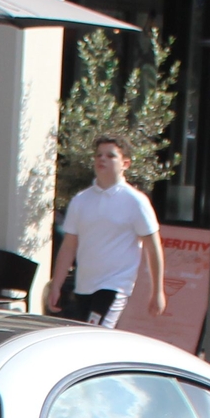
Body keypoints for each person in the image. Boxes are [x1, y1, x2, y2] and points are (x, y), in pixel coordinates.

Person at [52, 135, 166, 328]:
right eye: (98, 155)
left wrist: (158, 291)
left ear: (125, 164)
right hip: (84, 286)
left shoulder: (135, 201)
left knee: (95, 335)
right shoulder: (81, 200)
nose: (102, 159)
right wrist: (56, 285)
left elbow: (153, 247)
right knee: (85, 340)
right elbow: (69, 246)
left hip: (114, 286)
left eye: (110, 156)